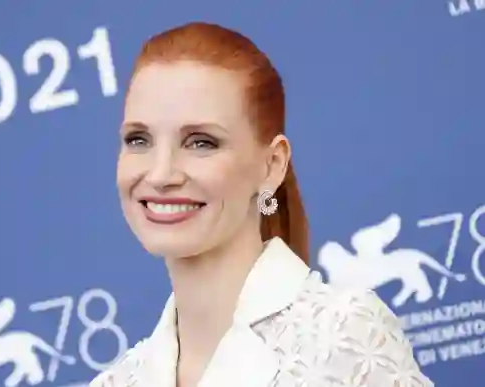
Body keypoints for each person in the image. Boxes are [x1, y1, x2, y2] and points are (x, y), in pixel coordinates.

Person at [90, 21, 433, 387]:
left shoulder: (344, 335)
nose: (160, 174)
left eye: (200, 142)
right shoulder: (116, 381)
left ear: (272, 166)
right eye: (139, 140)